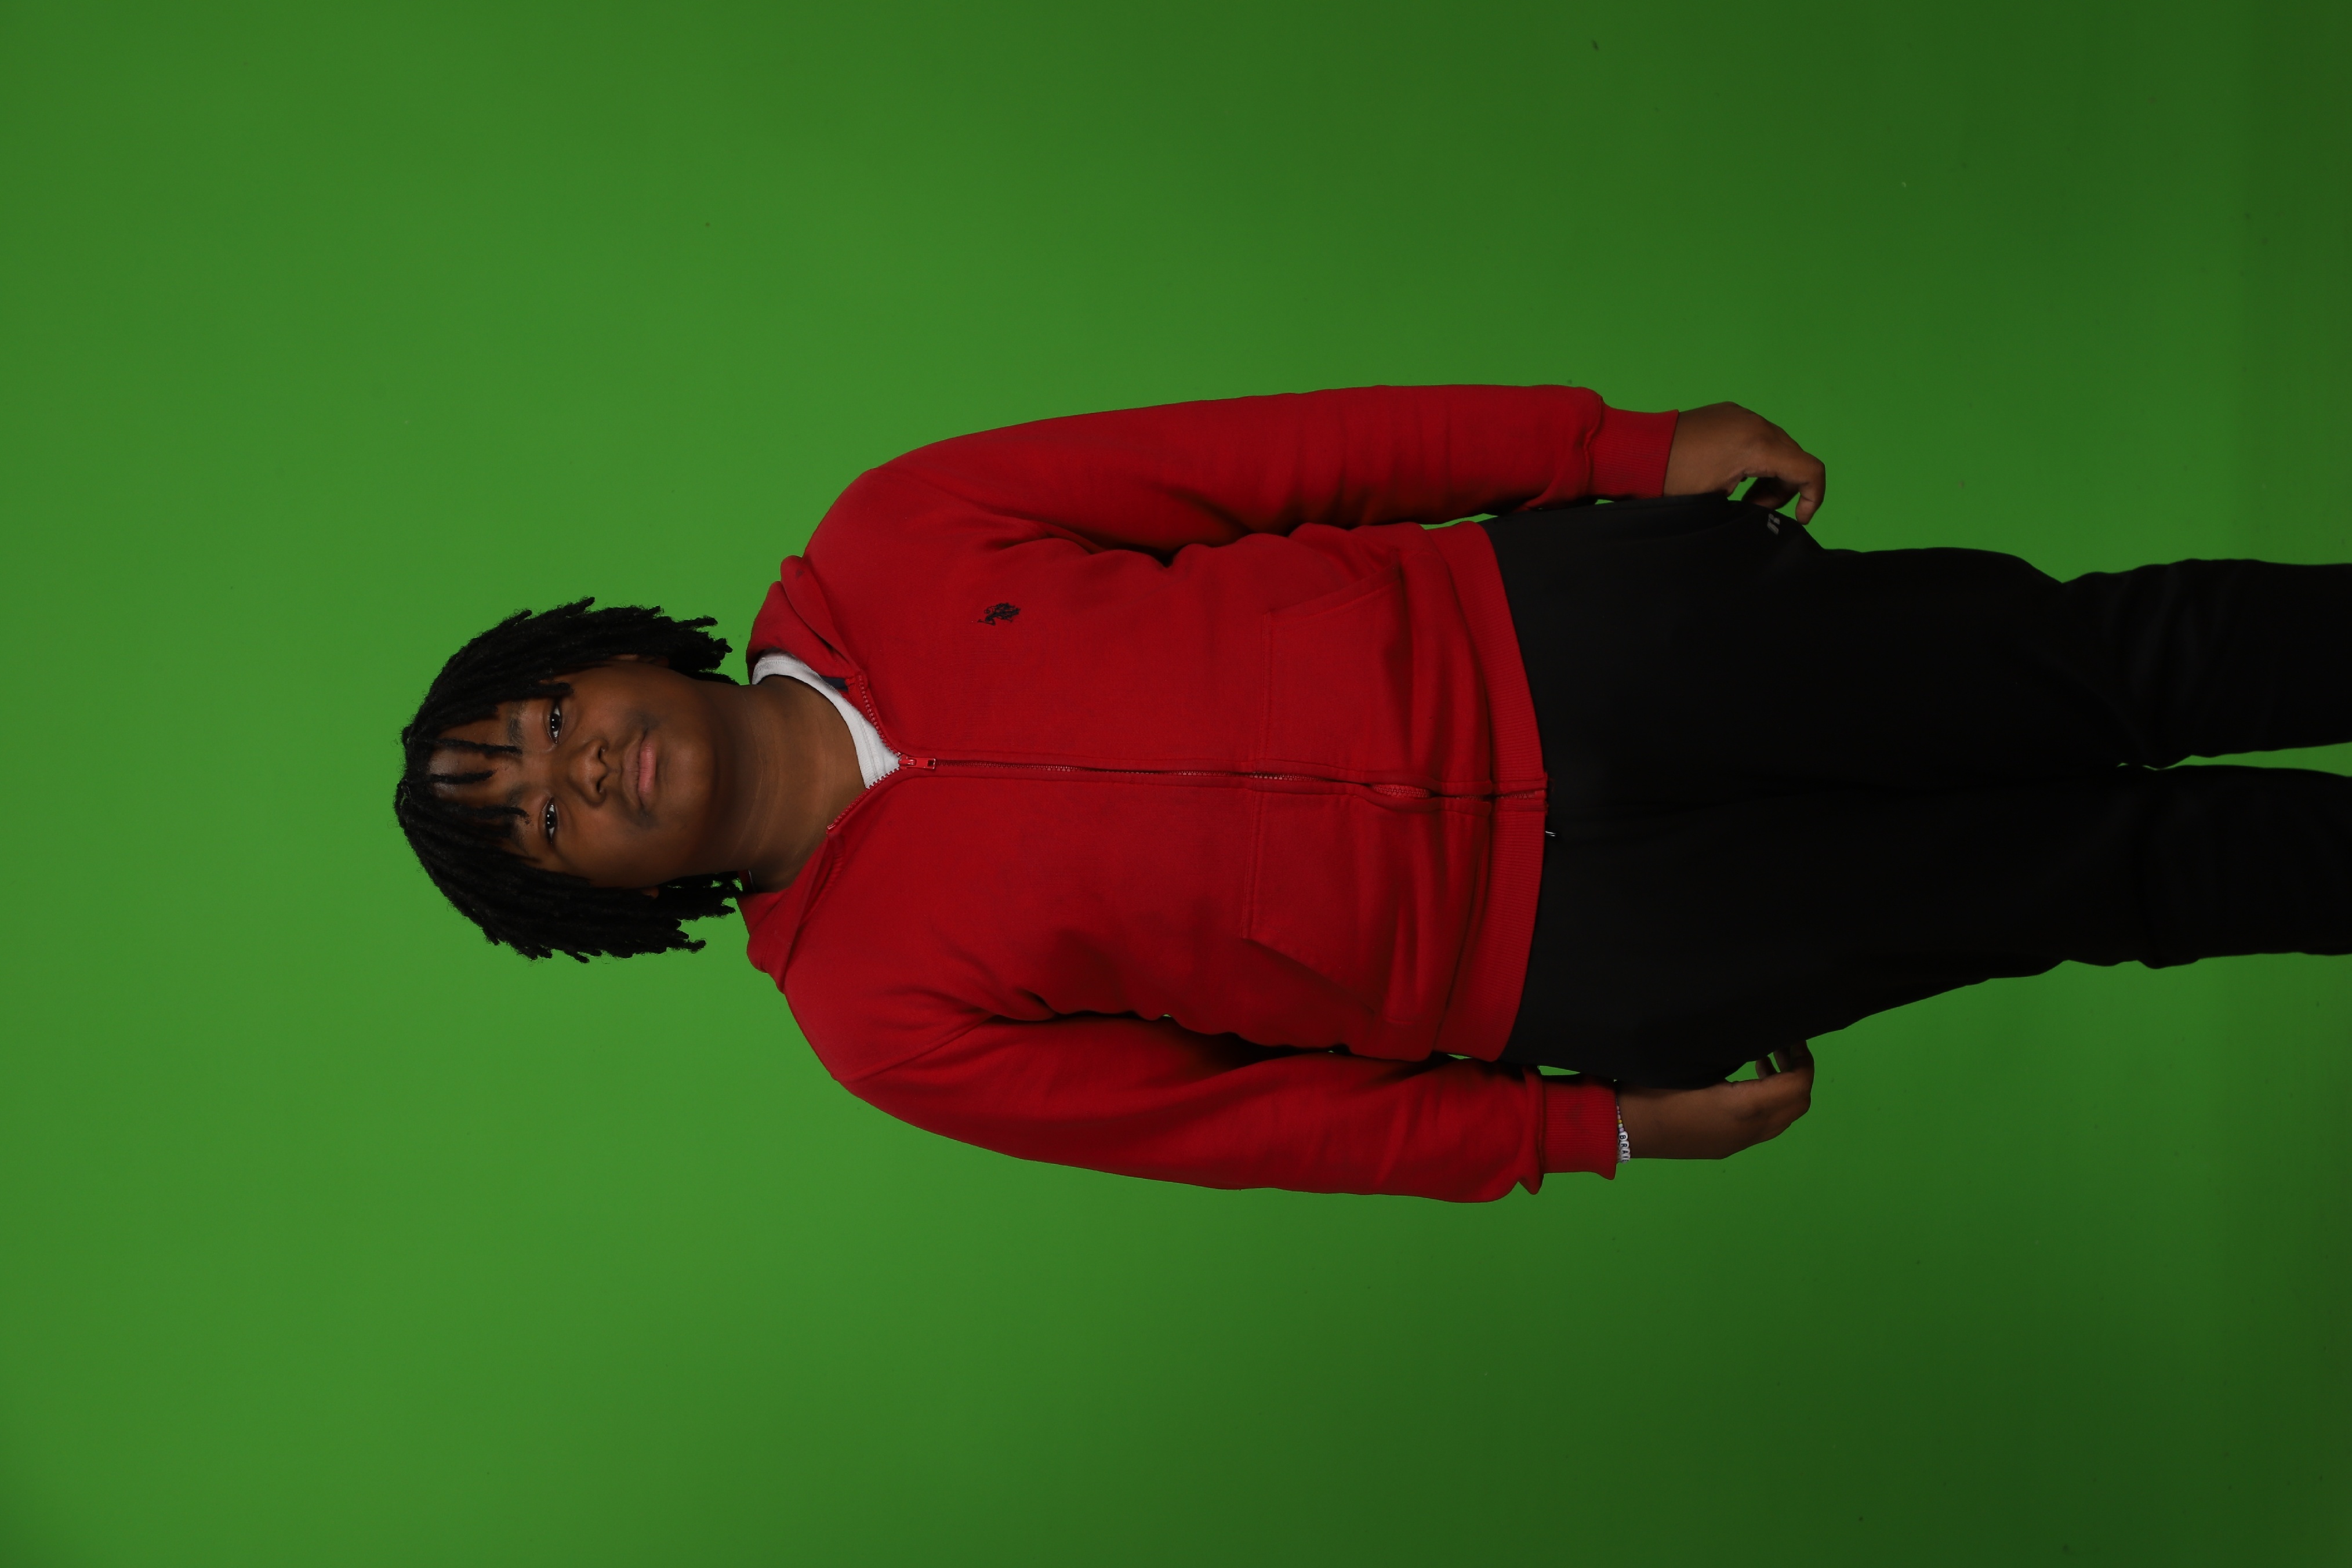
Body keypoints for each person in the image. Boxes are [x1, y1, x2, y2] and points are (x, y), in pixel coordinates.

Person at [394, 386, 2352, 1201]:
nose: (582, 766)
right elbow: (1244, 1123)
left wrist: (1608, 446)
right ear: (597, 897)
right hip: (1573, 955)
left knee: (2108, 659)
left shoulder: (895, 531)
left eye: (548, 721)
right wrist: (1587, 1132)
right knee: (2107, 875)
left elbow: (1284, 454)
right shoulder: (872, 1021)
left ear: (609, 652)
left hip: (1572, 637)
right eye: (546, 818)